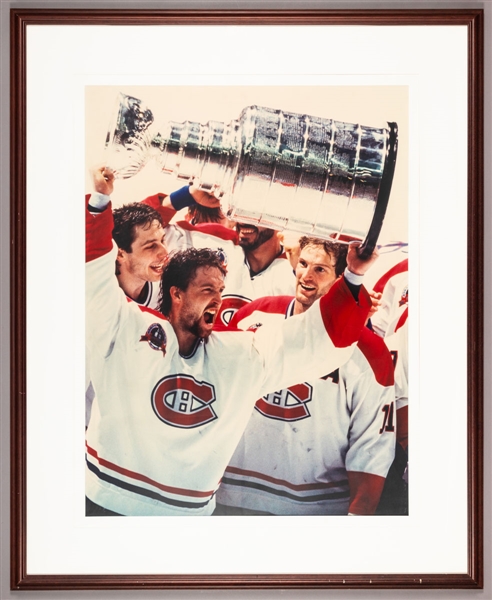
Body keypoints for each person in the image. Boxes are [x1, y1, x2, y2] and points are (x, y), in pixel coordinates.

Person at [85, 190, 378, 516]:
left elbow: (317, 343)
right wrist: (99, 200)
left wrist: (353, 276)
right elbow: (93, 276)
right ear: (176, 293)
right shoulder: (126, 327)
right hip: (105, 499)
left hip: (185, 518)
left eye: (221, 291)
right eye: (207, 290)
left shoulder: (240, 354)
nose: (218, 301)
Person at [215, 236, 396, 516]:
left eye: (320, 269)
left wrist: (359, 516)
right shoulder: (254, 313)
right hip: (230, 493)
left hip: (313, 508)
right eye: (303, 264)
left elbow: (373, 448)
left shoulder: (370, 352)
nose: (306, 276)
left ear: (341, 279)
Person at [139, 184, 297, 328]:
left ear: (280, 215)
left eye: (255, 212)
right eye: (241, 210)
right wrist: (185, 196)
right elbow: (134, 232)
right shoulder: (212, 239)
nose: (243, 220)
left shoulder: (298, 268)